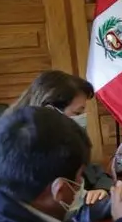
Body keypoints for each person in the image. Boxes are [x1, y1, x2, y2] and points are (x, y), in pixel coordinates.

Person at [8, 70, 113, 205]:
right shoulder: (27, 148)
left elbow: (92, 171)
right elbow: (66, 209)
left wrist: (101, 189)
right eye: (77, 112)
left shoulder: (63, 138)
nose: (83, 117)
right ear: (51, 110)